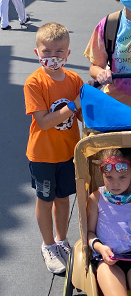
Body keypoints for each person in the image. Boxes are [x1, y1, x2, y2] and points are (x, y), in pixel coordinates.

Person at [24, 23, 83, 274]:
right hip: (43, 155)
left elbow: (83, 116)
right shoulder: (34, 83)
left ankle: (61, 240)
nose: (53, 57)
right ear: (37, 52)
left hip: (69, 153)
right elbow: (45, 121)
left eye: (59, 51)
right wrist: (73, 105)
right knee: (45, 199)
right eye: (47, 52)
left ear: (68, 54)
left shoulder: (74, 79)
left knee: (63, 198)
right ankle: (48, 245)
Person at [87, 148, 131, 296]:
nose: (115, 183)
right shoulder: (96, 199)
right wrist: (100, 248)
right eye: (109, 177)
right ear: (102, 174)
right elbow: (88, 233)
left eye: (122, 177)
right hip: (107, 260)